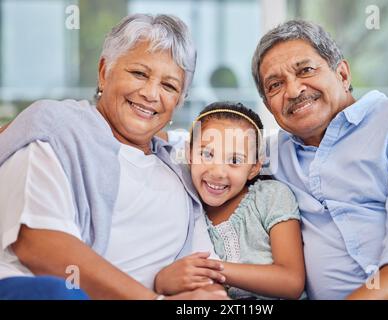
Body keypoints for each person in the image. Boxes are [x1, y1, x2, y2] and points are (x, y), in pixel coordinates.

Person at [0, 13, 227, 300]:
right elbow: (40, 245)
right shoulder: (55, 130)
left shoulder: (184, 167)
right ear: (104, 71)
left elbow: (202, 274)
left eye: (169, 86)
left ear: (179, 102)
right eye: (139, 74)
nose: (150, 94)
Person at [251, 19, 388, 299]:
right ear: (270, 106)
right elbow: (195, 155)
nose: (294, 91)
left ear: (342, 74)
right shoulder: (266, 156)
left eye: (305, 70)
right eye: (275, 85)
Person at [155, 102, 304, 300]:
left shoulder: (270, 197)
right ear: (189, 154)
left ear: (253, 168)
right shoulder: (185, 203)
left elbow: (291, 282)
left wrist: (209, 269)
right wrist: (162, 280)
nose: (217, 172)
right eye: (207, 154)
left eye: (235, 161)